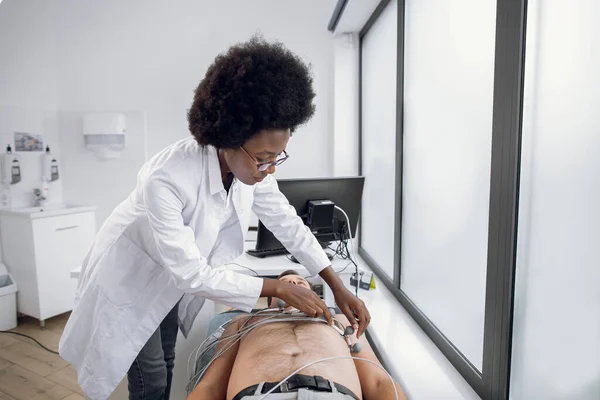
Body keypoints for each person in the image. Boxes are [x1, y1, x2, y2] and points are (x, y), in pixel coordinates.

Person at [58, 35, 371, 400]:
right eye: (262, 157)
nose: (269, 169)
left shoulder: (251, 172)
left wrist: (335, 284)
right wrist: (276, 289)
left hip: (170, 277)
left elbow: (288, 223)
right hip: (131, 279)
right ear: (229, 137)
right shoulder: (168, 177)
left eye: (277, 158)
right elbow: (190, 273)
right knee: (152, 374)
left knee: (169, 355)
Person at [187, 271, 405, 400]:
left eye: (301, 283)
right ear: (272, 297)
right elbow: (211, 385)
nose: (294, 285)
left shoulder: (341, 322)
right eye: (285, 284)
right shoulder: (243, 322)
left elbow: (378, 381)